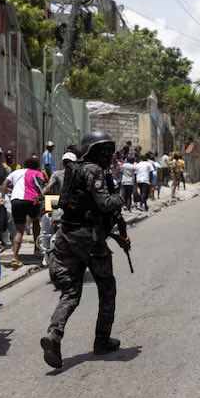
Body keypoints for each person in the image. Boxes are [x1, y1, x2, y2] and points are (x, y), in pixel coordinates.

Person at [41, 130, 129, 369]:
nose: (108, 156)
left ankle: (54, 334)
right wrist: (119, 198)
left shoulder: (74, 170)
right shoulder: (94, 171)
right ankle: (102, 340)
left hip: (67, 236)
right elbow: (104, 204)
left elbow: (84, 208)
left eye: (110, 152)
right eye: (103, 151)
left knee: (70, 292)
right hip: (89, 241)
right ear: (92, 151)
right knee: (107, 289)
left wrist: (119, 236)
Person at [3, 156, 46, 268]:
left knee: (19, 230)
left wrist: (1, 197)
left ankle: (15, 257)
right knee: (36, 221)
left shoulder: (16, 172)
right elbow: (40, 187)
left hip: (16, 200)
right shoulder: (37, 173)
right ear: (36, 166)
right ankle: (37, 249)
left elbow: (5, 183)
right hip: (31, 200)